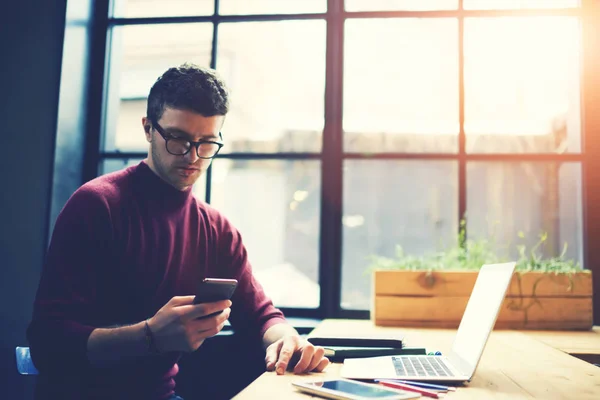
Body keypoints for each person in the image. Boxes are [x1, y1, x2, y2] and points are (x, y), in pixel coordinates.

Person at [27, 63, 329, 400]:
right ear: (148, 128)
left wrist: (288, 339)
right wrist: (150, 336)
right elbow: (48, 345)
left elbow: (261, 316)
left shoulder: (217, 229)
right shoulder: (97, 205)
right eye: (178, 138)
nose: (192, 156)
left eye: (207, 143)